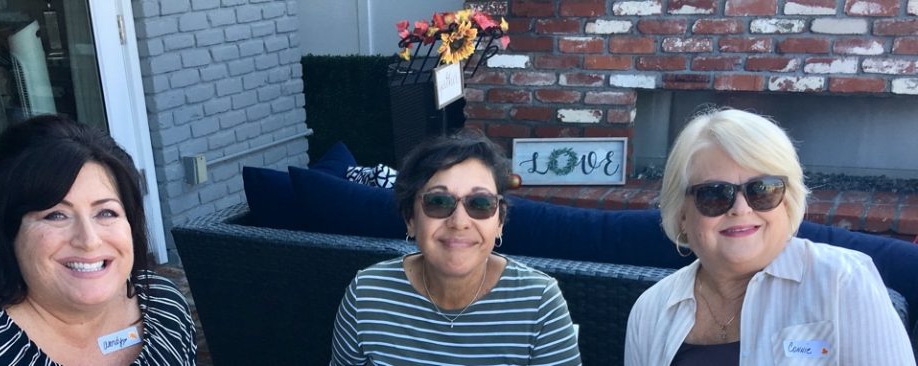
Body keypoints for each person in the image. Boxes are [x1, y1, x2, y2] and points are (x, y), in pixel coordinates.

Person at [0, 115, 197, 365]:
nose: (89, 241)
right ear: (6, 229)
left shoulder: (163, 307)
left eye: (106, 212)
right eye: (55, 215)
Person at [624, 108, 915, 365]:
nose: (741, 208)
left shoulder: (842, 282)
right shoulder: (652, 311)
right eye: (714, 194)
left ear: (787, 202)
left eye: (762, 190)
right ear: (682, 214)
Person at [329, 131, 581, 365]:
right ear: (410, 219)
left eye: (480, 203)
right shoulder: (366, 295)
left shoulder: (538, 302)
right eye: (438, 201)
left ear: (500, 222)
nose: (459, 222)